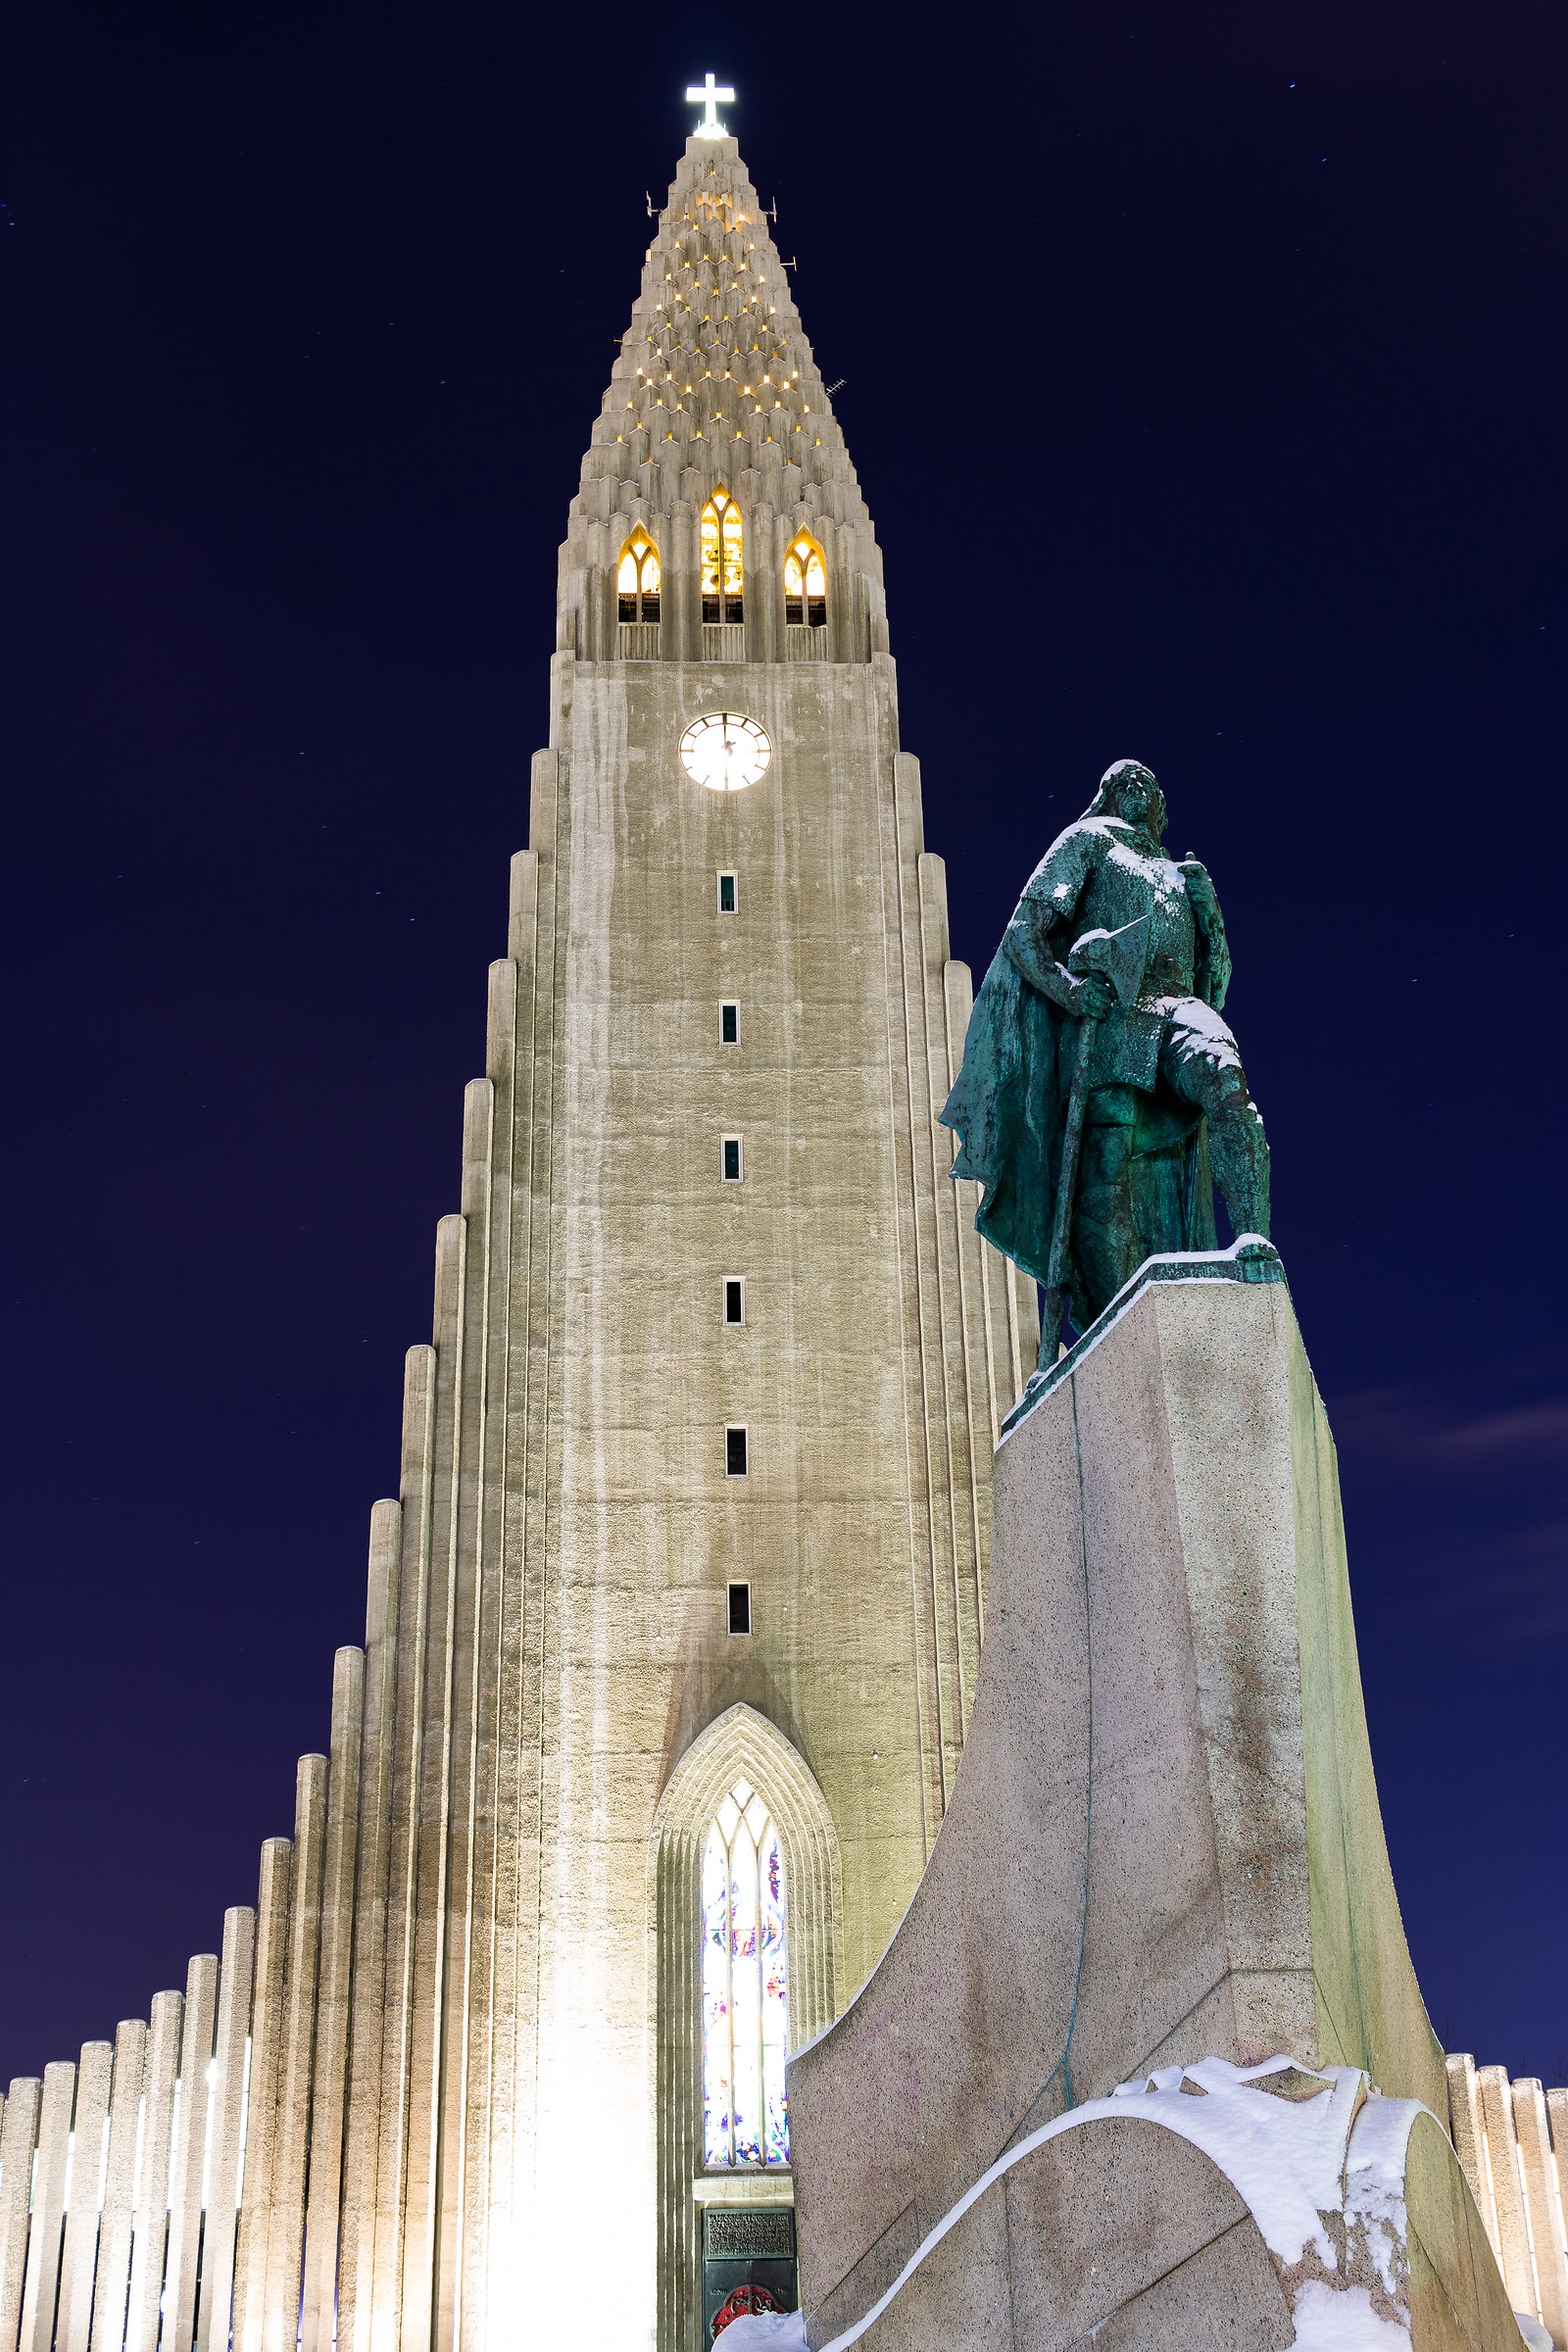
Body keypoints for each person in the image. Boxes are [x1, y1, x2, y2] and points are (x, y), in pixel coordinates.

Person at [941, 759, 1270, 1332]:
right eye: (1124, 780)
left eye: (1147, 781)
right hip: (1114, 1017)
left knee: (1225, 1078)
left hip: (1177, 1006)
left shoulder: (1182, 874)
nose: (1137, 785)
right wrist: (1068, 990)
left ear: (1161, 804)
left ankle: (1253, 1240)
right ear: (1108, 794)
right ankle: (1115, 1317)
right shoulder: (1089, 840)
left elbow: (1214, 986)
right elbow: (1024, 933)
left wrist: (1211, 918)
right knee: (1107, 1163)